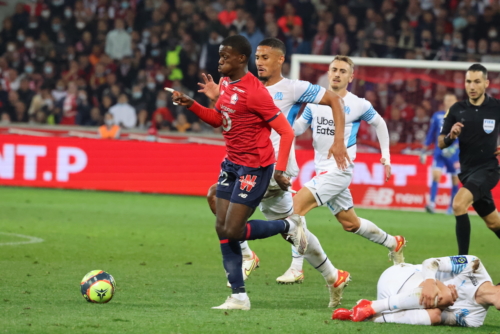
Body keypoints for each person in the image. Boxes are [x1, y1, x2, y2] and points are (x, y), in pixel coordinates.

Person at [201, 38, 353, 306]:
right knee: (291, 229)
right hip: (247, 164)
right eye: (257, 57)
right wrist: (218, 97)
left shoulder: (293, 88)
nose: (259, 62)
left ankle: (247, 256)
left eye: (266, 57)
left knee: (221, 204)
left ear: (280, 60)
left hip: (269, 167)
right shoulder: (239, 84)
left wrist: (339, 139)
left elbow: (335, 102)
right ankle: (332, 275)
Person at [171, 35, 309, 311]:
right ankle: (239, 297)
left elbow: (286, 130)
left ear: (240, 59)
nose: (220, 60)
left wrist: (280, 169)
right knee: (222, 228)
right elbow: (219, 121)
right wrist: (192, 105)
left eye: (225, 57)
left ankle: (289, 225)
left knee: (233, 229)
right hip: (232, 163)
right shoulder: (225, 84)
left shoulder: (256, 92)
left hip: (255, 167)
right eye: (220, 56)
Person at [283, 56, 406, 284]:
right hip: (322, 170)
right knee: (350, 223)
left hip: (340, 170)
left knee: (295, 208)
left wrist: (386, 156)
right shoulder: (315, 101)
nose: (337, 74)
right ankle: (393, 242)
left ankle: (296, 267)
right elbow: (299, 127)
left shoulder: (358, 104)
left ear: (351, 77)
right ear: (328, 73)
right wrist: (281, 124)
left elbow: (380, 124)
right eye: (333, 70)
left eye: (342, 71)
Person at [333, 255, 499, 327]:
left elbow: (438, 316)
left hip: (399, 308)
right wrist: (429, 282)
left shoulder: (475, 320)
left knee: (435, 315)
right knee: (446, 295)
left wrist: (442, 305)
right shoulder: (474, 266)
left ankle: (368, 317)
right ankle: (371, 307)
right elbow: (431, 262)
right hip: (398, 276)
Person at [438, 64, 500, 255]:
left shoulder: (496, 107)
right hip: (468, 173)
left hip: (488, 169)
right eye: (468, 82)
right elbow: (441, 142)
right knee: (493, 222)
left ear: (486, 83)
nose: (472, 86)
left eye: (476, 82)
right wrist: (451, 136)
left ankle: (461, 264)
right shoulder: (457, 109)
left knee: (458, 203)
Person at [421, 93, 460, 215]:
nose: (449, 102)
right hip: (439, 151)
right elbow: (431, 134)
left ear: (456, 102)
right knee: (435, 176)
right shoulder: (437, 116)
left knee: (455, 180)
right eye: (447, 99)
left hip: (454, 154)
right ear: (444, 102)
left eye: (451, 100)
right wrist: (423, 151)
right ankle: (432, 204)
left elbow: (464, 136)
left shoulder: (461, 116)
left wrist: (456, 148)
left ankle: (451, 206)